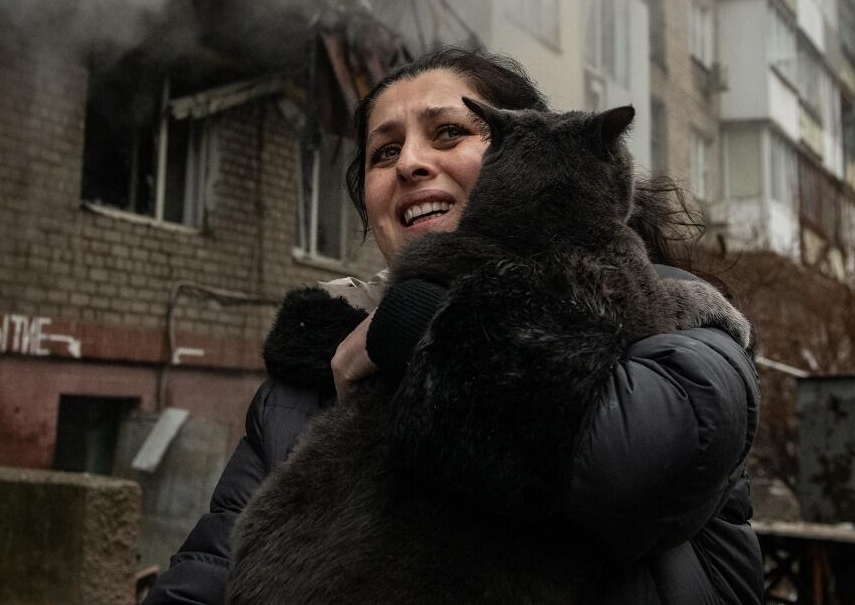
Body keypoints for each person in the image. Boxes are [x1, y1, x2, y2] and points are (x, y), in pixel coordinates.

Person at [143, 47, 761, 605]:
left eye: (449, 132)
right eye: (384, 152)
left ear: (537, 147)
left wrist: (415, 327)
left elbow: (630, 465)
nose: (411, 162)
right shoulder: (306, 378)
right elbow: (207, 575)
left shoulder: (673, 320)